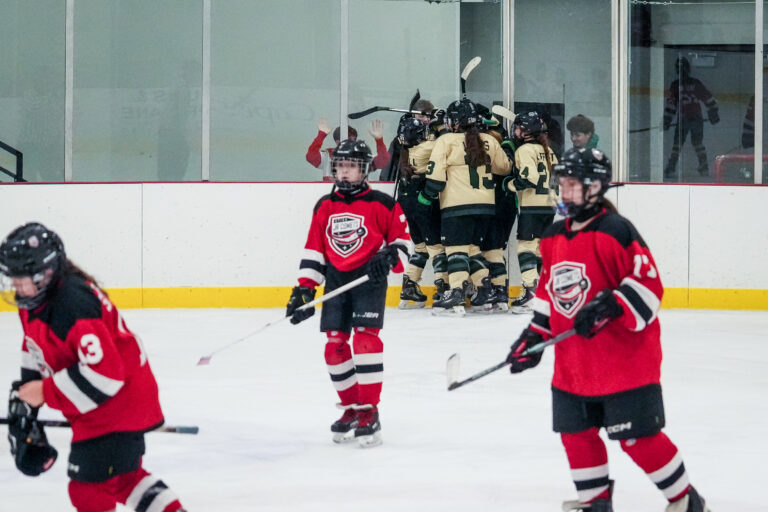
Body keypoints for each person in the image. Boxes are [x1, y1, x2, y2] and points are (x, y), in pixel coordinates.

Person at [505, 148, 711, 512]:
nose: (565, 192)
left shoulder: (616, 230)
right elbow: (549, 296)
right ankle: (595, 503)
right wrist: (534, 336)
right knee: (575, 435)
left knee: (637, 439)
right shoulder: (552, 236)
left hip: (625, 364)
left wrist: (611, 304)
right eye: (562, 184)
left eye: (573, 184)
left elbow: (649, 286)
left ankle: (686, 501)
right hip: (574, 365)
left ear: (596, 187)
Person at [0, 222, 186, 512]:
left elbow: (106, 375)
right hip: (109, 404)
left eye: (23, 279)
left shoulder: (72, 304)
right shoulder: (35, 300)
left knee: (87, 490)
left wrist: (45, 392)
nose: (17, 287)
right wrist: (27, 394)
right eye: (14, 279)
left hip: (118, 404)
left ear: (46, 272)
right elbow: (34, 344)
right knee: (123, 481)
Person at [286, 138, 411, 448]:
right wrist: (304, 290)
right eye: (340, 166)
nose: (344, 172)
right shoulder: (325, 205)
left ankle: (370, 411)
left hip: (369, 280)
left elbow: (404, 243)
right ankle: (353, 408)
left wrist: (389, 256)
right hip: (336, 281)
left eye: (351, 166)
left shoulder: (383, 203)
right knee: (334, 348)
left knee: (366, 342)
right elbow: (315, 249)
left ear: (364, 170)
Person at [419, 98, 512, 315]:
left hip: (457, 206)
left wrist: (424, 199)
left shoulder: (446, 141)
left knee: (456, 250)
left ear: (454, 122)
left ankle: (457, 292)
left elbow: (435, 179)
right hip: (487, 207)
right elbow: (504, 168)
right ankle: (485, 287)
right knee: (472, 250)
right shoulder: (489, 140)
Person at [504, 111, 557, 313]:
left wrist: (510, 184)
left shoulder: (525, 150)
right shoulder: (549, 150)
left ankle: (531, 291)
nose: (516, 131)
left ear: (526, 131)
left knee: (525, 247)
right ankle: (542, 292)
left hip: (532, 206)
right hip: (549, 206)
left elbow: (529, 177)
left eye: (519, 128)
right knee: (539, 248)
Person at [393, 114, 447, 309]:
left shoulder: (404, 149)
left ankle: (409, 285)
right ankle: (443, 288)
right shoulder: (426, 147)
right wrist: (439, 126)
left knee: (421, 246)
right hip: (422, 199)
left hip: (405, 198)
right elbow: (447, 143)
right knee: (436, 246)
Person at [663, 56, 719, 178]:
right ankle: (704, 167)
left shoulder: (675, 85)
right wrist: (713, 113)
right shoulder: (695, 83)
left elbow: (671, 105)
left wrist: (667, 120)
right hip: (696, 119)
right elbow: (708, 98)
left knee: (677, 145)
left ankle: (671, 167)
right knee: (698, 143)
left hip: (684, 119)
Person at [305, 119, 390, 180]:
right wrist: (321, 135)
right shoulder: (328, 156)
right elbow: (310, 157)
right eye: (349, 139)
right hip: (333, 197)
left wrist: (379, 140)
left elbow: (384, 162)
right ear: (337, 142)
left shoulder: (362, 156)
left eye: (354, 139)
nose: (352, 142)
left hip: (357, 197)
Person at [380, 99, 435, 182]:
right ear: (413, 116)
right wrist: (403, 167)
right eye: (421, 116)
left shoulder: (438, 137)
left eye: (429, 116)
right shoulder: (401, 139)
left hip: (431, 182)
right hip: (407, 183)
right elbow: (388, 171)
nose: (426, 120)